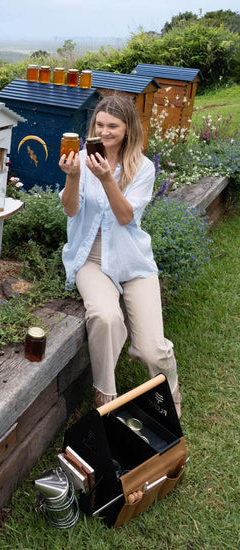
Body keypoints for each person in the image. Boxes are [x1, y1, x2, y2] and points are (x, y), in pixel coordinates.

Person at [58, 95, 181, 417]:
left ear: (128, 129)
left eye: (113, 126)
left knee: (152, 350)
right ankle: (105, 396)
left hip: (132, 260)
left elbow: (126, 217)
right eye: (99, 125)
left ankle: (170, 396)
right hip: (92, 259)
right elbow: (70, 210)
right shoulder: (81, 159)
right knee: (105, 317)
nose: (104, 131)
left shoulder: (142, 168)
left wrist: (106, 179)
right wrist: (73, 176)